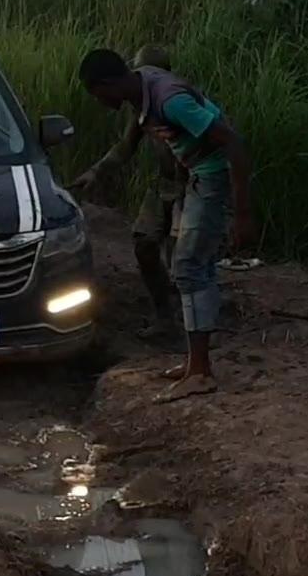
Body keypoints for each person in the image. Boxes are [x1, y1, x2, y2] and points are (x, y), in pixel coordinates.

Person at [78, 48, 254, 402]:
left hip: (211, 176)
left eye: (98, 95)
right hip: (196, 176)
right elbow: (127, 146)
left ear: (109, 83)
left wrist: (244, 213)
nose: (100, 103)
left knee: (189, 267)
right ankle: (194, 364)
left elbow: (233, 142)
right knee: (186, 266)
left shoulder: (169, 100)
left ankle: (201, 372)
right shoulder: (142, 89)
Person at [69, 45, 186, 335]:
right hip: (164, 184)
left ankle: (192, 326)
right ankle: (166, 318)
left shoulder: (172, 100)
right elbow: (125, 147)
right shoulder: (141, 106)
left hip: (189, 185)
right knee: (145, 245)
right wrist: (95, 172)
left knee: (181, 257)